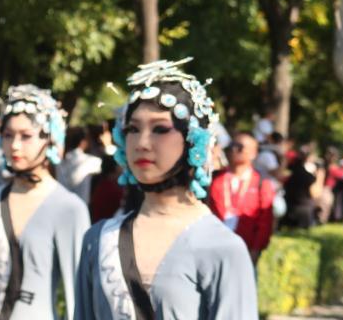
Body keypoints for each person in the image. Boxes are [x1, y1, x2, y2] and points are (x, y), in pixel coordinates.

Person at [75, 59, 257, 319]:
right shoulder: (98, 239)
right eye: (132, 129)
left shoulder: (222, 247)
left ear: (193, 139)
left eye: (160, 129)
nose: (142, 143)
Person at [0, 85, 89, 320]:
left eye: (26, 136)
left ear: (50, 138)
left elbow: (80, 298)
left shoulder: (69, 208)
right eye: (7, 135)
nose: (15, 145)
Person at [208, 133, 274, 264]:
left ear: (253, 153)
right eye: (232, 145)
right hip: (213, 249)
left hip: (244, 252)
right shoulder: (215, 178)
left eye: (240, 147)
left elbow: (265, 221)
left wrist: (255, 251)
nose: (234, 149)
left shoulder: (261, 182)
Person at [57, 126, 103, 204]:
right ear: (83, 142)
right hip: (82, 206)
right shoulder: (93, 161)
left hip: (62, 205)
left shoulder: (58, 164)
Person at [282, 145, 324, 228]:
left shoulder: (291, 172)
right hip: (304, 215)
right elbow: (315, 194)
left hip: (289, 211)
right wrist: (320, 177)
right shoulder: (308, 176)